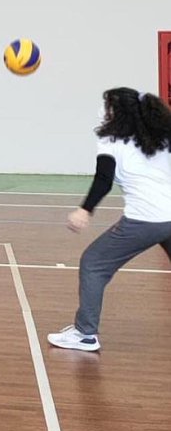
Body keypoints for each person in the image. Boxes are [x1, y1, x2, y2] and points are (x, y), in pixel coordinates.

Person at [48, 87, 171, 352]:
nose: (105, 111)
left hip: (145, 220)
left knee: (93, 263)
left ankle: (85, 334)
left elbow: (103, 180)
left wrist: (85, 210)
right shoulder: (162, 136)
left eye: (108, 106)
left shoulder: (111, 141)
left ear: (117, 111)